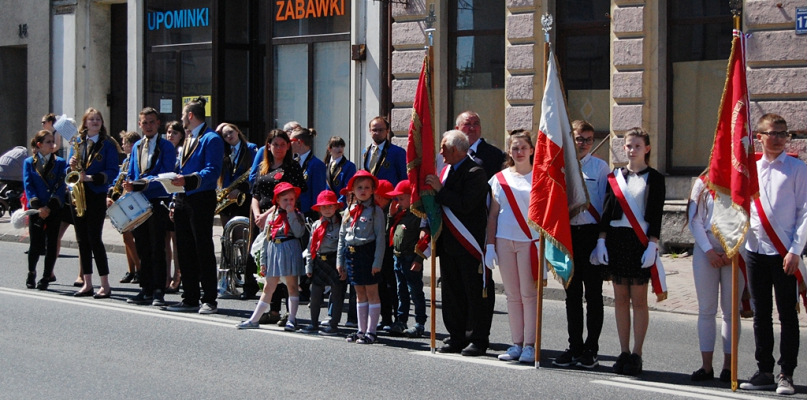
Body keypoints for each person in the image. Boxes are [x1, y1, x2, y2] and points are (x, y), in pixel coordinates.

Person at [739, 114, 806, 395]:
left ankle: (785, 373)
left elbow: (805, 212)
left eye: (783, 133)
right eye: (773, 133)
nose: (778, 138)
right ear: (760, 136)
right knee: (760, 314)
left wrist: (795, 250)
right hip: (756, 250)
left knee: (787, 315)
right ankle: (764, 369)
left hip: (785, 252)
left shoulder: (796, 168)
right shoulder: (749, 168)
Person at [590, 127, 666, 376]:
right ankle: (622, 351)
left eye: (637, 146)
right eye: (628, 146)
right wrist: (601, 241)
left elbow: (655, 214)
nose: (632, 150)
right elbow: (607, 210)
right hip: (616, 240)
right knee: (620, 299)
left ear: (647, 148)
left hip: (640, 241)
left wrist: (653, 244)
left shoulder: (654, 178)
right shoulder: (615, 177)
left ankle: (637, 353)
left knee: (639, 301)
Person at [426, 130, 494, 356]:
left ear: (454, 150)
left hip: (469, 244)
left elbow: (465, 204)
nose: (440, 152)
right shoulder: (445, 171)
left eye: (443, 147)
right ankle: (455, 335)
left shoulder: (475, 172)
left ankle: (477, 338)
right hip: (448, 243)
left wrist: (440, 190)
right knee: (452, 293)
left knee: (474, 294)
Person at [554, 121, 610, 369]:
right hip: (568, 235)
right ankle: (574, 345)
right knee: (572, 295)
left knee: (594, 295)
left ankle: (592, 348)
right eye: (579, 139)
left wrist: (601, 240)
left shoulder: (600, 167)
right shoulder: (561, 166)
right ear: (571, 139)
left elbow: (606, 207)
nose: (585, 143)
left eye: (589, 139)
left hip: (591, 235)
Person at [165, 97, 224, 314]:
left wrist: (187, 179)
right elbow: (180, 170)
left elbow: (212, 171)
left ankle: (209, 299)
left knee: (202, 249)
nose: (181, 120)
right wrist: (174, 199)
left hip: (201, 197)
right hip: (182, 197)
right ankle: (189, 297)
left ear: (190, 115)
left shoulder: (211, 139)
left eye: (183, 115)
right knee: (184, 249)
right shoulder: (188, 139)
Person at [244, 129, 307, 327]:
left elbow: (289, 197)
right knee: (266, 262)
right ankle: (272, 309)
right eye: (274, 144)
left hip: (280, 217)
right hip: (261, 219)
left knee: (284, 266)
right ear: (268, 146)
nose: (278, 148)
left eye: (282, 144)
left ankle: (289, 315)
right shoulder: (264, 166)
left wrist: (266, 215)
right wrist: (256, 214)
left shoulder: (292, 167)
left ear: (288, 146)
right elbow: (255, 193)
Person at [485, 130, 538, 364]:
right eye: (515, 148)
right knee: (512, 295)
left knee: (529, 294)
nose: (519, 152)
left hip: (530, 242)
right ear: (509, 151)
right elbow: (493, 215)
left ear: (532, 150)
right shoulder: (499, 177)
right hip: (504, 239)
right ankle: (516, 343)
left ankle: (530, 344)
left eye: (523, 148)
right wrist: (490, 245)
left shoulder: (539, 177)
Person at [688, 173, 741, 383]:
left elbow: (751, 217)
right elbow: (695, 220)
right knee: (706, 309)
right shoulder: (702, 182)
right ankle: (706, 366)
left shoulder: (743, 178)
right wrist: (709, 250)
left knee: (730, 311)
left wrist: (734, 251)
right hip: (706, 248)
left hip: (735, 250)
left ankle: (729, 367)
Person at [123, 107, 177, 307]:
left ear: (158, 124)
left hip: (157, 200)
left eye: (151, 122)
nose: (148, 126)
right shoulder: (137, 145)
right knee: (142, 246)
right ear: (140, 125)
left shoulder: (166, 146)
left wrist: (141, 184)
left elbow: (166, 173)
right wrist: (128, 184)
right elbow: (131, 172)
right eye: (144, 123)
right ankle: (145, 288)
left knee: (157, 247)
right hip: (138, 201)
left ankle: (158, 290)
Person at [237, 182, 306, 331]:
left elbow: (299, 232)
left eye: (291, 199)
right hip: (274, 251)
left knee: (292, 286)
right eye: (285, 200)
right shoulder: (272, 217)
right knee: (269, 287)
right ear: (277, 201)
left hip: (290, 250)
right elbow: (266, 239)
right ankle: (254, 319)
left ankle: (292, 319)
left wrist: (291, 214)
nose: (289, 203)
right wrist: (263, 261)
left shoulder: (298, 215)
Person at [67, 108, 121, 298]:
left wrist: (90, 178)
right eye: (91, 119)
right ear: (85, 123)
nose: (95, 122)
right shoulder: (78, 142)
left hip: (96, 194)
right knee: (82, 239)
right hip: (78, 195)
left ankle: (105, 284)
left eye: (98, 119)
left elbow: (113, 170)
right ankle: (87, 282)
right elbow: (69, 170)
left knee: (95, 238)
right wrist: (71, 165)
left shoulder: (107, 144)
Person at [337, 170, 387, 344]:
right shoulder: (349, 210)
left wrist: (377, 262)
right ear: (352, 190)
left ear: (373, 190)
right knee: (359, 293)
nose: (363, 191)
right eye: (359, 187)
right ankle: (361, 330)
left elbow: (381, 238)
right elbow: (342, 237)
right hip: (352, 254)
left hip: (368, 252)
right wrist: (340, 261)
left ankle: (371, 332)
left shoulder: (375, 212)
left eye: (367, 187)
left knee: (372, 292)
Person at [23, 130, 66, 290]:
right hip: (37, 208)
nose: (52, 144)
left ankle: (46, 275)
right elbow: (28, 185)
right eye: (48, 142)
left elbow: (62, 185)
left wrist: (50, 206)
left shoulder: (60, 162)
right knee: (35, 243)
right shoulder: (29, 162)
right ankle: (31, 272)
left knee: (52, 242)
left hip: (53, 208)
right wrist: (39, 207)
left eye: (52, 141)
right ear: (39, 145)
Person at [300, 190, 345, 335]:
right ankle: (313, 323)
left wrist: (342, 265)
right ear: (319, 209)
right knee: (315, 295)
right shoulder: (316, 225)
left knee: (337, 294)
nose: (327, 210)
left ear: (336, 207)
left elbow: (342, 246)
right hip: (319, 261)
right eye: (323, 207)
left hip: (334, 261)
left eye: (330, 206)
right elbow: (310, 246)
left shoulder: (341, 225)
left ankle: (333, 325)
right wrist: (309, 265)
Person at [386, 179, 427, 338]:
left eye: (401, 198)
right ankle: (401, 320)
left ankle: (419, 323)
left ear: (412, 197)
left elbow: (423, 240)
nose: (398, 202)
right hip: (398, 257)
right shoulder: (400, 215)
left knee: (415, 291)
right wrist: (391, 216)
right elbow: (389, 232)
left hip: (411, 258)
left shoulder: (418, 216)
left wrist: (418, 259)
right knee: (401, 291)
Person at [51, 114, 83, 287]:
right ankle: (50, 270)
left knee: (80, 238)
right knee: (56, 234)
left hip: (79, 197)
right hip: (68, 196)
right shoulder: (70, 146)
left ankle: (81, 274)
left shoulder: (80, 143)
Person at [110, 131, 142, 285]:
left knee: (131, 236)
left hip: (133, 201)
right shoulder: (125, 161)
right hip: (123, 200)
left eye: (124, 143)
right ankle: (131, 270)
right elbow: (119, 178)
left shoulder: (135, 159)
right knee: (126, 236)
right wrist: (112, 190)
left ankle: (139, 268)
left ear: (130, 145)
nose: (122, 145)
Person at [216, 123, 257, 227]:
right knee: (226, 231)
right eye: (225, 135)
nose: (229, 136)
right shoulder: (223, 152)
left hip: (243, 195)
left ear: (237, 131)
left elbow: (256, 172)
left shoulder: (251, 148)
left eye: (230, 132)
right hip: (227, 196)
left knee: (240, 230)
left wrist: (241, 189)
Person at [374, 179, 398, 331]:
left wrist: (390, 216)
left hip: (390, 254)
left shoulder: (393, 211)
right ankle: (386, 318)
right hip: (380, 254)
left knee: (392, 288)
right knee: (381, 287)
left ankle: (397, 319)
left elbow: (387, 233)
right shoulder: (377, 211)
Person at [163, 121, 184, 292]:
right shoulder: (163, 150)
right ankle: (166, 276)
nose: (171, 135)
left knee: (177, 240)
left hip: (177, 197)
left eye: (175, 133)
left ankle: (178, 275)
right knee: (165, 240)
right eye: (169, 132)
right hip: (164, 197)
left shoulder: (182, 152)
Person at [455, 111, 506, 180]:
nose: (472, 128)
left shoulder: (496, 155)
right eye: (467, 124)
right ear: (457, 129)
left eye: (476, 124)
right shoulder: (448, 154)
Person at [290, 127, 326, 221]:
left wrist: (316, 217)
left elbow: (317, 194)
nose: (288, 144)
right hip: (292, 213)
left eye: (291, 140)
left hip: (308, 215)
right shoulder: (293, 162)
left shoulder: (317, 165)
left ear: (299, 142)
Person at [361, 116, 407, 186]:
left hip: (389, 195)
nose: (377, 133)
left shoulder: (397, 152)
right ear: (370, 130)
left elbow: (404, 179)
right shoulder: (365, 151)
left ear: (387, 130)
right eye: (374, 130)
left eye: (381, 130)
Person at [323, 136, 356, 208]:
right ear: (329, 148)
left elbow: (348, 187)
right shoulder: (324, 165)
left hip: (341, 205)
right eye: (337, 146)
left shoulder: (349, 166)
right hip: (326, 204)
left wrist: (340, 203)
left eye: (342, 146)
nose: (340, 148)